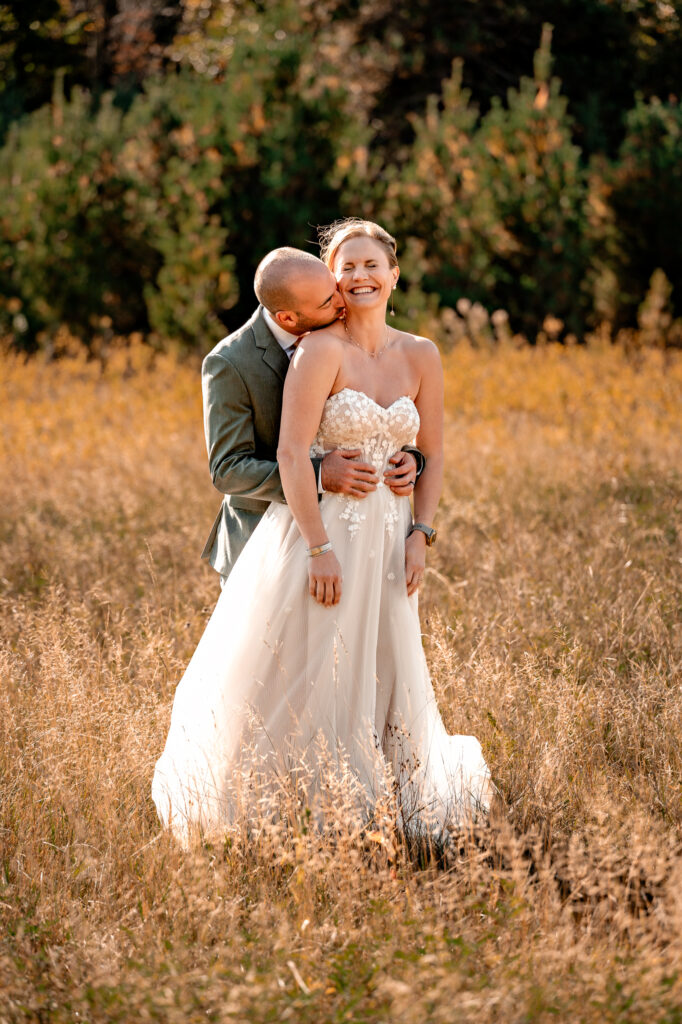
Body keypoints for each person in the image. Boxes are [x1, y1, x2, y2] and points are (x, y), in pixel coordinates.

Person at [152, 220, 491, 840]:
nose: (357, 278)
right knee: (300, 671)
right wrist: (320, 545)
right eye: (345, 268)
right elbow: (273, 457)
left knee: (385, 662)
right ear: (325, 284)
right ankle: (302, 805)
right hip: (310, 531)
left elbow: (432, 451)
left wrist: (421, 530)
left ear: (393, 274)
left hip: (388, 540)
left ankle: (393, 797)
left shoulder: (422, 353)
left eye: (371, 265)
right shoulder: (304, 350)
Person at [200, 246, 422, 583]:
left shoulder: (346, 333)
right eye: (326, 302)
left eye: (334, 289)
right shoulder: (231, 363)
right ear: (287, 318)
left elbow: (367, 417)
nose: (340, 302)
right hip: (262, 541)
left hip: (350, 534)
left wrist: (408, 458)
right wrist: (318, 475)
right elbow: (227, 471)